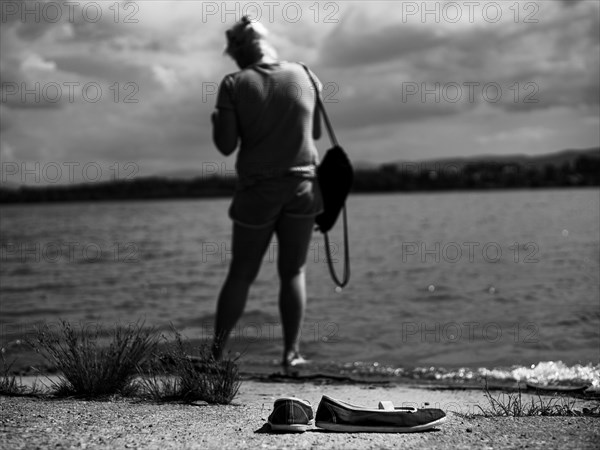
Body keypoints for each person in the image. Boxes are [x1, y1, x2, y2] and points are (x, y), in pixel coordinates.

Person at [210, 16, 323, 369]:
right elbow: (315, 132)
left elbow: (226, 146)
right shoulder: (306, 74)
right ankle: (291, 354)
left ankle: (215, 355)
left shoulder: (234, 83)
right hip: (303, 187)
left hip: (258, 190)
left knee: (242, 273)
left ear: (241, 51)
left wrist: (218, 120)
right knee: (293, 272)